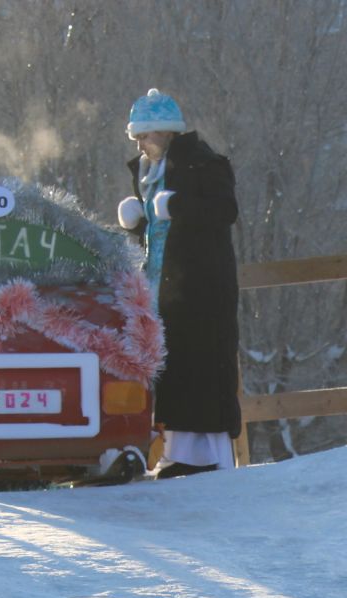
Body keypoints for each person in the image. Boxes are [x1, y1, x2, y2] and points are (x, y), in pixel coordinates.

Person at [116, 88, 242, 478]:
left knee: (199, 368)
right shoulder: (147, 171)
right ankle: (176, 452)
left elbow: (224, 211)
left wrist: (178, 208)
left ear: (166, 133)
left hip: (201, 289)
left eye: (145, 135)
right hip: (164, 288)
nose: (139, 144)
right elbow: (159, 234)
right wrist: (137, 225)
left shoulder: (204, 165)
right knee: (171, 368)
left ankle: (203, 456)